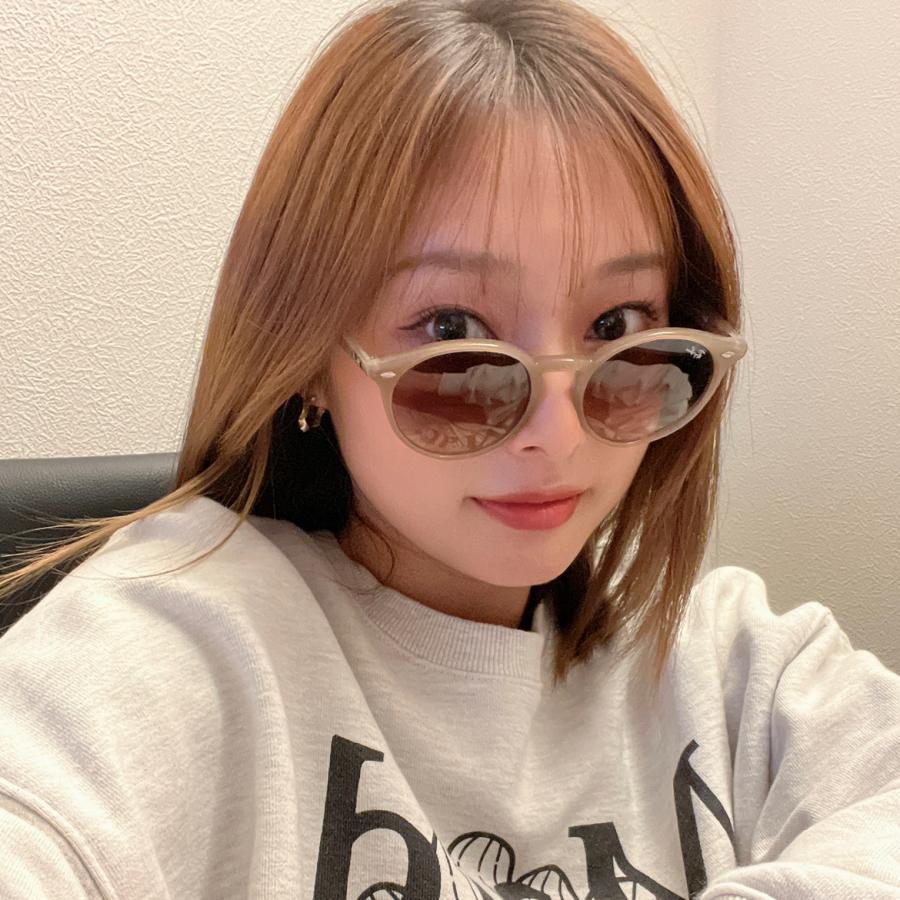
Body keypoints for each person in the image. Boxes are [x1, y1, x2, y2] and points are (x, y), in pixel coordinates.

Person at [1, 0, 897, 897]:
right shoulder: (182, 638)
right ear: (309, 355)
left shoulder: (735, 668)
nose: (557, 433)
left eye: (616, 326)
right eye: (453, 332)